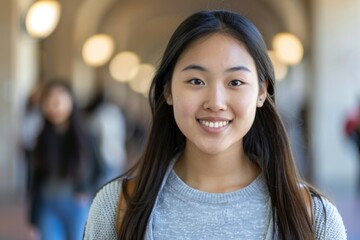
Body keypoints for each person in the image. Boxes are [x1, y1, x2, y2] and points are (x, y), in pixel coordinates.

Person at [83, 10, 347, 239]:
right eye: (196, 81)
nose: (216, 102)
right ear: (168, 91)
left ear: (262, 92)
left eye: (235, 82)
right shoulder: (116, 207)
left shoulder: (314, 216)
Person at [27, 79, 101, 240]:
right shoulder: (41, 137)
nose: (54, 105)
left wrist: (87, 191)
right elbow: (35, 180)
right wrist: (32, 219)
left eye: (59, 99)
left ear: (71, 102)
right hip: (47, 204)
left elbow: (99, 170)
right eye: (49, 100)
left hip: (75, 204)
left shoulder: (86, 136)